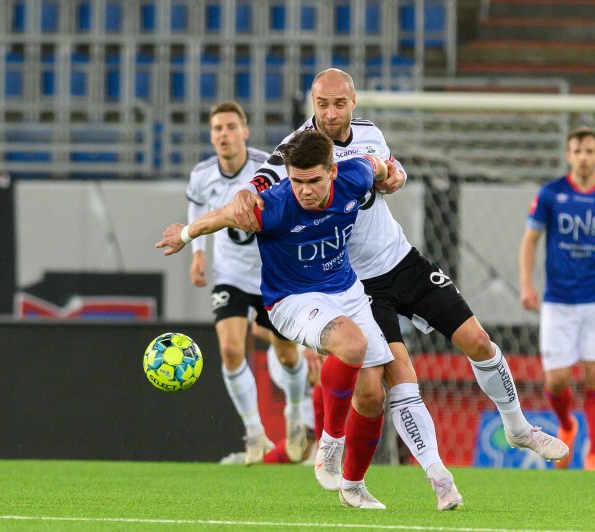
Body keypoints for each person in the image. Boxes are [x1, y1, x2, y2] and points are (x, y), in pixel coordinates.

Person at [232, 68, 568, 510]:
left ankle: (518, 427)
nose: (330, 114)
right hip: (354, 282)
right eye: (321, 104)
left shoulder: (371, 133)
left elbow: (389, 170)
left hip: (401, 259)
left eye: (339, 104)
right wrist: (243, 194)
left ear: (354, 102)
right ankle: (439, 478)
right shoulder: (298, 149)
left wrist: (398, 175)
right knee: (398, 376)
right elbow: (262, 182)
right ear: (311, 105)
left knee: (478, 340)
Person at [159, 130, 394, 509]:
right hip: (292, 300)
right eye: (297, 181)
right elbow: (221, 216)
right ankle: (330, 445)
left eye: (314, 181)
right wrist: (185, 234)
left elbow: (379, 165)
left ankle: (353, 487)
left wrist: (393, 171)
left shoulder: (356, 175)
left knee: (371, 394)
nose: (305, 191)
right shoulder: (274, 205)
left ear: (333, 171)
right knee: (352, 345)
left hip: (346, 292)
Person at [185, 101, 308, 465]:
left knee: (287, 353)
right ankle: (254, 433)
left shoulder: (266, 168)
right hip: (231, 275)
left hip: (273, 274)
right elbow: (195, 209)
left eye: (229, 127)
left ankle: (296, 416)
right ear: (211, 136)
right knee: (231, 350)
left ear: (245, 131)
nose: (223, 134)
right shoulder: (202, 175)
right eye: (217, 128)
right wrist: (198, 254)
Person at [519, 126, 595, 471]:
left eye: (589, 150)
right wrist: (527, 284)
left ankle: (594, 454)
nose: (583, 157)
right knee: (555, 380)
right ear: (568, 155)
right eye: (577, 150)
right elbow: (530, 240)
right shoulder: (551, 194)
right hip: (558, 301)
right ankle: (568, 426)